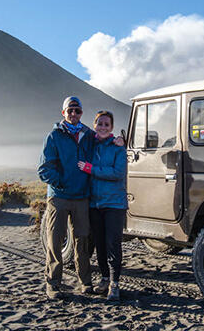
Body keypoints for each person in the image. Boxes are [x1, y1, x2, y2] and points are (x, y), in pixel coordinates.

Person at [37, 96, 95, 299]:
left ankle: (85, 282)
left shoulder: (88, 135)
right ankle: (53, 284)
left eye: (77, 110)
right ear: (63, 113)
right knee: (55, 240)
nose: (73, 114)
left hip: (81, 197)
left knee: (83, 241)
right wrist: (61, 182)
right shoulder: (54, 136)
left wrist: (117, 141)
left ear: (81, 113)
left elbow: (103, 147)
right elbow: (44, 170)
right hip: (60, 196)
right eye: (70, 110)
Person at [77, 110, 128, 302]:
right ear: (95, 125)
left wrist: (92, 169)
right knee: (99, 244)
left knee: (113, 244)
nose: (103, 127)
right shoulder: (90, 145)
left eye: (107, 124)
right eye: (100, 124)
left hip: (114, 204)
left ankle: (115, 284)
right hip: (94, 204)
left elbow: (117, 173)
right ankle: (105, 278)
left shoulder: (118, 148)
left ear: (112, 127)